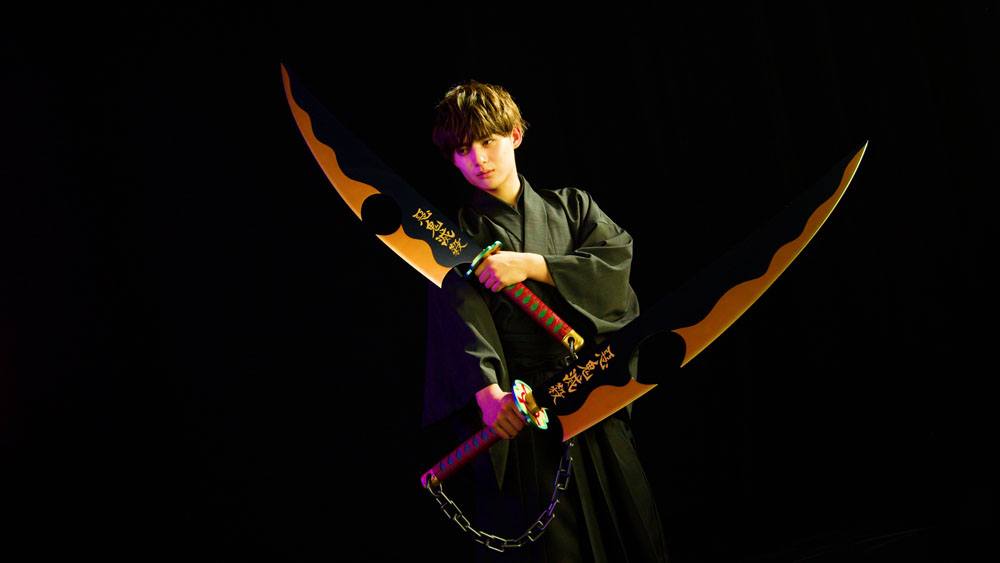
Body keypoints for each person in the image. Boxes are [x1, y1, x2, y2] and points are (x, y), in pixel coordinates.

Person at [422, 80, 668, 562]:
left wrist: (533, 265)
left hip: (591, 389)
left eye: (488, 141)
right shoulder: (455, 239)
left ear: (515, 135)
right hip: (525, 407)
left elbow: (614, 266)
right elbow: (460, 317)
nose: (479, 159)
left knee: (631, 530)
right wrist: (488, 394)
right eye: (463, 150)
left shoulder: (573, 207)